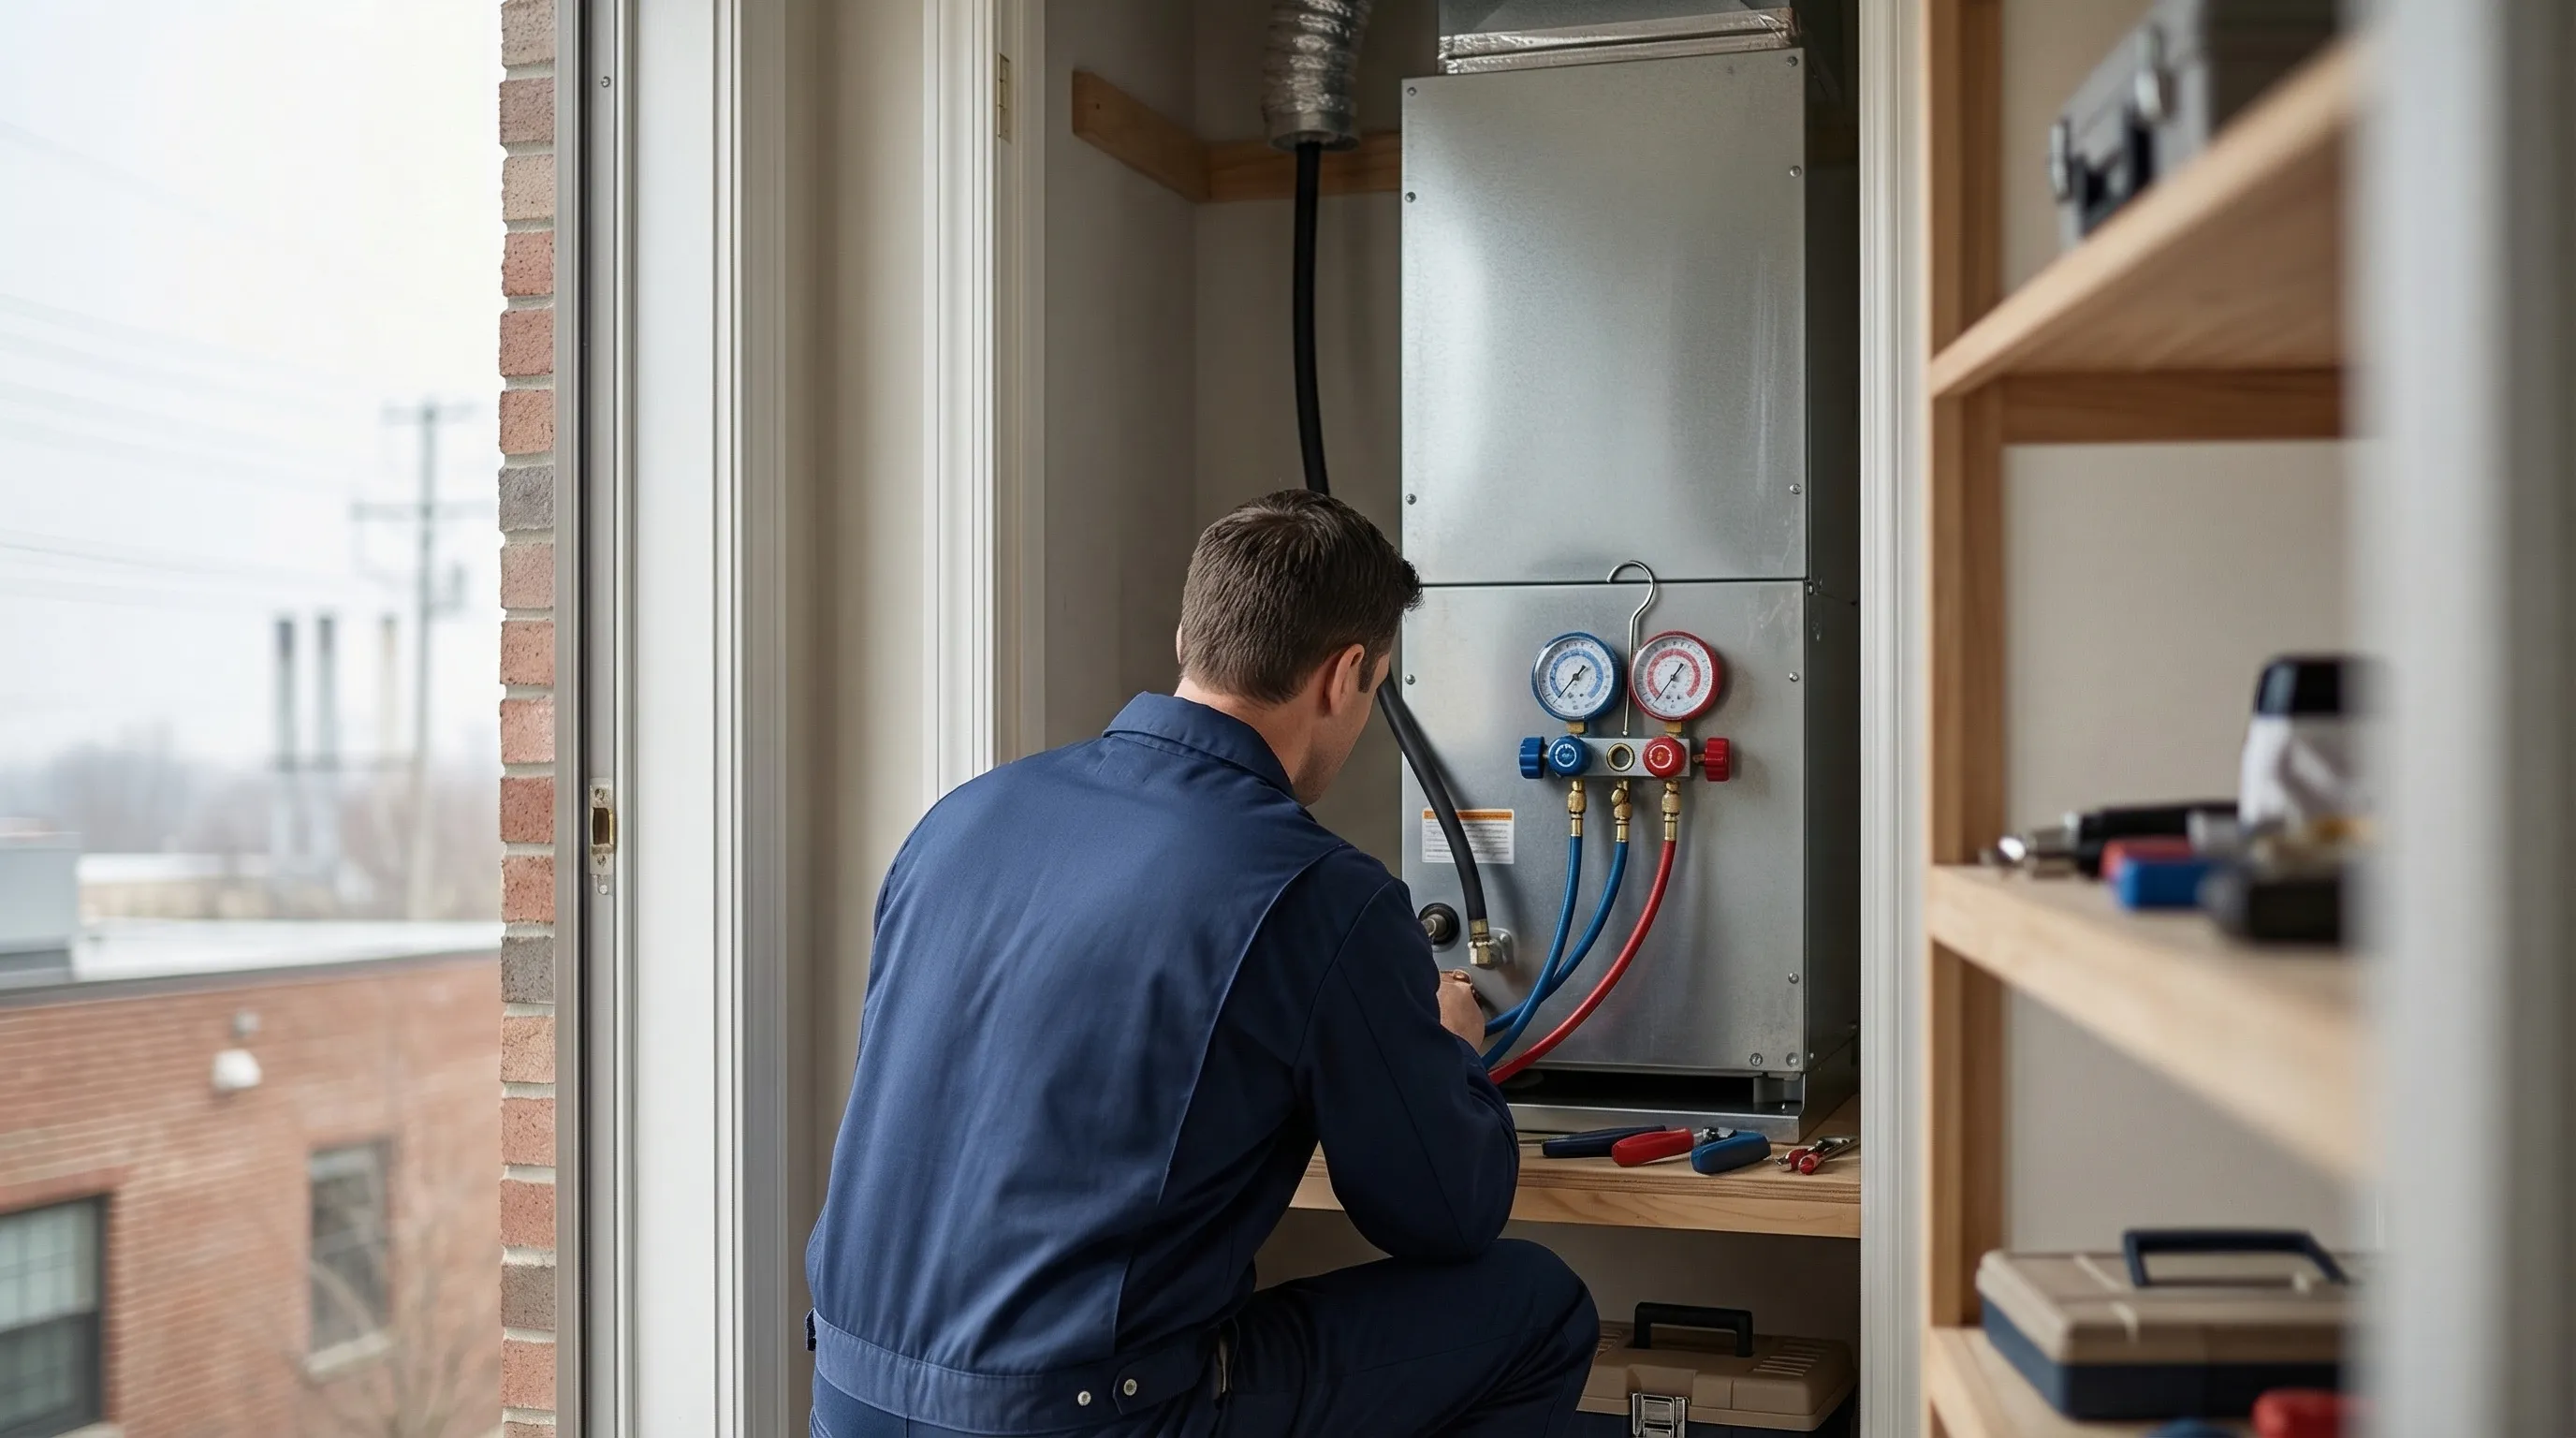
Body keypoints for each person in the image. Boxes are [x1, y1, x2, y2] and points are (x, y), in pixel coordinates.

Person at [806, 491, 1598, 1437]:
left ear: (1189, 635)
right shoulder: (1318, 892)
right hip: (1083, 1415)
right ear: (1347, 674)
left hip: (852, 1391)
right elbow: (1445, 1215)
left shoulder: (964, 817)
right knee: (1534, 1308)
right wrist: (1452, 1051)